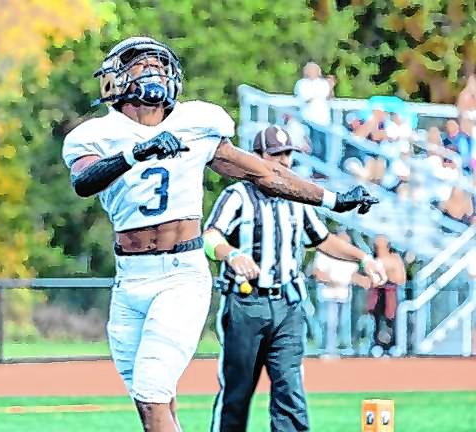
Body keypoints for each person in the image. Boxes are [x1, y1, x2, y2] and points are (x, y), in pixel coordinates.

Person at [62, 36, 379, 432]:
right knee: (153, 404)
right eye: (143, 66)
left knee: (151, 391)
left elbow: (264, 173)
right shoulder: (95, 135)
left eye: (160, 66)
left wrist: (331, 199)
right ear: (117, 78)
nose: (154, 74)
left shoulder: (196, 124)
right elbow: (84, 181)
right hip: (129, 279)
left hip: (180, 273)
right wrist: (135, 154)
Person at [203, 125, 386, 432]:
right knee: (237, 390)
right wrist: (231, 254)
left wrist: (364, 258)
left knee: (290, 390)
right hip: (246, 305)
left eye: (288, 153)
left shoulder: (297, 198)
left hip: (288, 305)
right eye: (276, 154)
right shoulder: (237, 196)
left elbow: (322, 239)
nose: (285, 161)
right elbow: (209, 236)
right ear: (256, 157)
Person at [313, 229, 371, 355]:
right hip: (328, 295)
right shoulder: (324, 254)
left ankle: (345, 350)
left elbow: (352, 275)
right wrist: (336, 281)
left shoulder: (351, 257)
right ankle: (327, 350)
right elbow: (318, 273)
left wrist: (362, 280)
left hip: (344, 296)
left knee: (345, 323)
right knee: (329, 324)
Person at [367, 235, 406, 357]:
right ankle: (377, 344)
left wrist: (386, 275)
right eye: (376, 246)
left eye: (380, 246)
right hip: (376, 294)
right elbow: (369, 278)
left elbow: (401, 279)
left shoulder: (395, 258)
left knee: (391, 321)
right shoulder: (371, 259)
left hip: (391, 294)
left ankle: (392, 345)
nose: (378, 249)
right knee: (376, 320)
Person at [293, 62, 333, 161]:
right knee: (313, 146)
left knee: (323, 146)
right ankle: (312, 170)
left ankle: (321, 172)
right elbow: (305, 98)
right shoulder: (301, 83)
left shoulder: (323, 83)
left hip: (323, 120)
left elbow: (327, 96)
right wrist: (316, 96)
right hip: (308, 119)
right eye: (310, 70)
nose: (312, 72)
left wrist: (330, 87)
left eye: (315, 70)